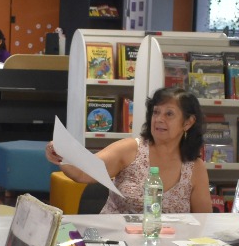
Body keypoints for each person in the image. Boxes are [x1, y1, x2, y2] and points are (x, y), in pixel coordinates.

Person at [47, 86, 213, 214]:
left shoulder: (195, 168)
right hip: (116, 242)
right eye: (156, 112)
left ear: (188, 122)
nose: (159, 119)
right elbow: (82, 173)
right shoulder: (130, 149)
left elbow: (203, 222)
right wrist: (60, 150)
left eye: (169, 114)